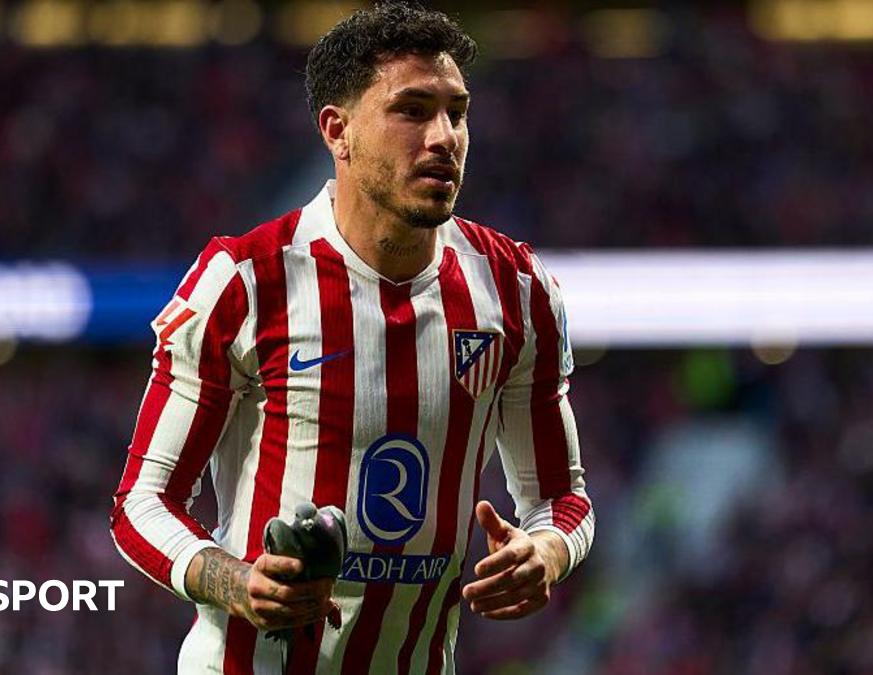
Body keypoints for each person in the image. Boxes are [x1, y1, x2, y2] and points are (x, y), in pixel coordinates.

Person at [109, 3, 594, 673]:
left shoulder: (516, 289)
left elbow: (561, 498)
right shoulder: (246, 281)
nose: (444, 137)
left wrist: (546, 551)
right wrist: (234, 580)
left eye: (457, 112)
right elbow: (142, 501)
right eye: (412, 110)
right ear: (338, 131)